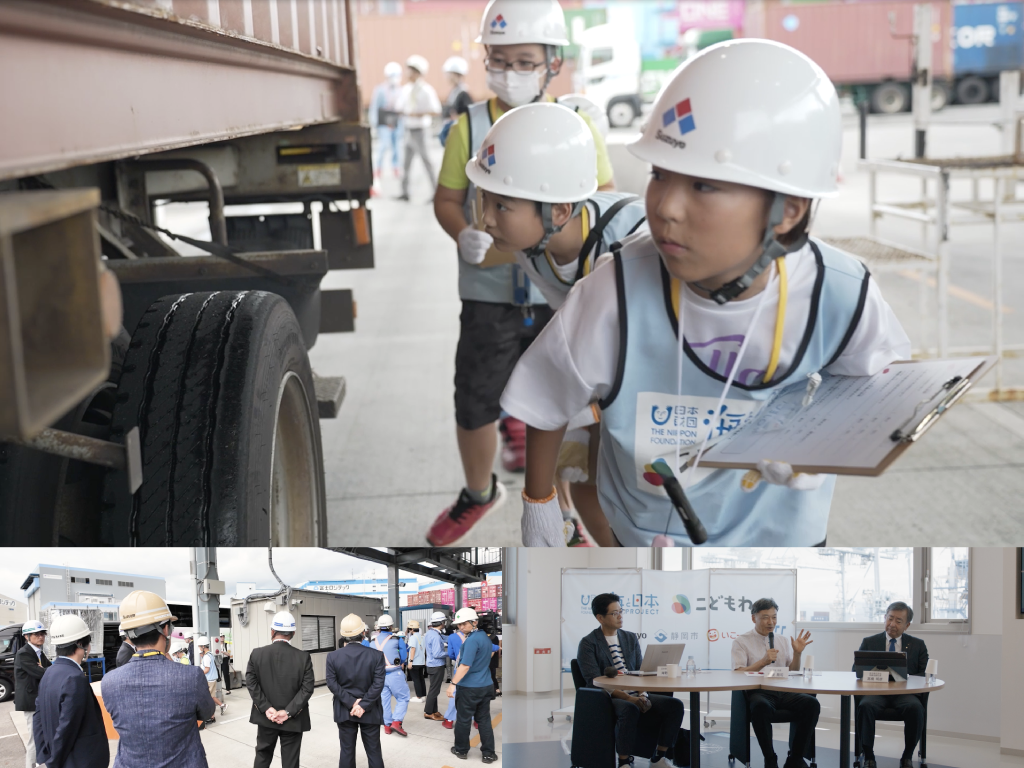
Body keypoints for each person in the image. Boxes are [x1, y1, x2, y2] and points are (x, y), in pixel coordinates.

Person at [502, 38, 911, 546]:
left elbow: (877, 391)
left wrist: (817, 439)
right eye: (659, 175)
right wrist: (539, 502)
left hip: (783, 541)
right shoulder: (616, 290)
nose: (666, 207)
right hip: (648, 534)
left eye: (703, 185)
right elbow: (545, 399)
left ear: (788, 209)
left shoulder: (841, 293)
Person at [427, 0, 616, 546]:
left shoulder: (577, 125)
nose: (511, 71)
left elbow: (602, 199)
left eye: (525, 60)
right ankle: (479, 492)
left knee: (564, 403)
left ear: (552, 63)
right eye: (500, 59)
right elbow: (447, 199)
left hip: (560, 296)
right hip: (489, 291)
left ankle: (560, 510)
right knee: (475, 398)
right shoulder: (470, 125)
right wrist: (461, 232)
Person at [466, 102, 648, 546]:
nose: (486, 218)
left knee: (628, 491)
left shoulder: (630, 245)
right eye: (484, 199)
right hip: (605, 370)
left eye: (502, 204)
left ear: (559, 212)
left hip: (648, 384)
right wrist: (543, 503)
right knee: (587, 484)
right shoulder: (533, 248)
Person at [102, 591, 215, 768]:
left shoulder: (109, 681)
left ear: (130, 634)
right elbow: (207, 713)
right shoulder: (191, 676)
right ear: (165, 629)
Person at [577, 594, 683, 767]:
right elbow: (593, 681)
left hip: (636, 692)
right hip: (610, 698)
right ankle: (624, 762)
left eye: (621, 611)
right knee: (630, 708)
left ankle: (659, 757)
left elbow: (640, 672)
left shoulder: (630, 638)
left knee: (675, 706)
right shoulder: (589, 644)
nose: (620, 616)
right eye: (614, 613)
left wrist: (643, 694)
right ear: (600, 618)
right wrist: (629, 698)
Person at [731, 598, 818, 768]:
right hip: (758, 691)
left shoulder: (783, 640)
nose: (771, 622)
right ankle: (770, 757)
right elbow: (738, 673)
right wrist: (762, 662)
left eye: (774, 617)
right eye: (765, 617)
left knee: (812, 704)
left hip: (784, 690)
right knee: (760, 707)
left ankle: (796, 757)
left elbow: (792, 670)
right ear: (753, 618)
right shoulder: (741, 641)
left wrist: (797, 653)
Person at [855, 601, 929, 768]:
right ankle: (868, 756)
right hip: (876, 693)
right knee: (865, 706)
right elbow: (856, 671)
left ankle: (907, 756)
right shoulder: (869, 642)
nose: (892, 624)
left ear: (907, 625)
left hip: (905, 694)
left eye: (898, 621)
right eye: (890, 618)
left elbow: (924, 673)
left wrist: (905, 678)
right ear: (884, 618)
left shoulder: (918, 645)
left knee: (916, 709)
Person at [32, 615, 109, 768]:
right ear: (80, 644)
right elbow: (67, 727)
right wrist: (53, 762)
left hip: (57, 757)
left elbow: (38, 718)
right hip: (77, 760)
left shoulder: (49, 672)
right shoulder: (75, 677)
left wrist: (44, 757)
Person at [245, 612, 315, 768]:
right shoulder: (303, 657)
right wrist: (288, 712)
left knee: (262, 756)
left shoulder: (257, 654)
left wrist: (266, 708)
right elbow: (307, 688)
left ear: (272, 631)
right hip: (293, 719)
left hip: (266, 718)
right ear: (293, 633)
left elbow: (251, 682)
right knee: (290, 761)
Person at [326, 613, 387, 768]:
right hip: (370, 709)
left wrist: (352, 703)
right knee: (374, 751)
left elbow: (332, 684)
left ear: (343, 635)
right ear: (364, 633)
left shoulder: (333, 656)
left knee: (346, 751)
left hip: (344, 710)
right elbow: (378, 684)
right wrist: (363, 704)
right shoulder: (377, 655)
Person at [446, 608, 498, 763]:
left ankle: (461, 750)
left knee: (463, 720)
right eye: (459, 625)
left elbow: (465, 666)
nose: (461, 627)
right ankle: (488, 753)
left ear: (474, 622)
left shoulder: (471, 640)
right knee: (484, 720)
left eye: (464, 623)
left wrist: (452, 684)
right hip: (485, 685)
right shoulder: (484, 638)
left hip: (469, 688)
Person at [398, 54, 441, 202]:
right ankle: (404, 192)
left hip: (421, 131)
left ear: (417, 72)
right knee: (406, 164)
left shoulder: (426, 90)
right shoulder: (406, 89)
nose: (406, 73)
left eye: (409, 70)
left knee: (427, 162)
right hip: (408, 129)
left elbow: (436, 110)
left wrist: (418, 114)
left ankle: (437, 193)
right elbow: (401, 107)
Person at [14, 619, 50, 768]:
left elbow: (49, 669)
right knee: (34, 739)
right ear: (27, 637)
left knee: (43, 735)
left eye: (42, 634)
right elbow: (42, 672)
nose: (40, 637)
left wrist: (46, 669)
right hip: (30, 701)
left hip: (39, 699)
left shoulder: (40, 653)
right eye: (36, 634)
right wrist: (45, 669)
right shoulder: (24, 654)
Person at [369, 614, 410, 737]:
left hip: (379, 676)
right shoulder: (397, 639)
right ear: (391, 626)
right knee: (403, 697)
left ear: (379, 627)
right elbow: (403, 658)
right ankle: (396, 721)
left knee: (384, 701)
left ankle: (387, 726)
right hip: (395, 673)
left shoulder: (372, 642)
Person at [369, 62, 404, 182]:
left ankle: (396, 168)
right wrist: (374, 122)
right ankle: (378, 169)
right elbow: (374, 106)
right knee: (384, 145)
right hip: (383, 122)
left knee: (396, 146)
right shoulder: (380, 90)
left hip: (396, 121)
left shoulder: (401, 90)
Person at [441, 618, 468, 729]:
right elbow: (492, 647)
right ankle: (476, 720)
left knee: (455, 694)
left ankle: (449, 720)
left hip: (460, 668)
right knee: (474, 695)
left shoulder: (453, 637)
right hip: (476, 670)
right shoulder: (479, 636)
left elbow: (451, 654)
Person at [423, 611, 448, 721]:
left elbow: (445, 638)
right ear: (442, 622)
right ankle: (428, 712)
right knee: (434, 690)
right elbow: (438, 654)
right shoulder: (436, 636)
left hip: (431, 665)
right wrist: (450, 653)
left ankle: (434, 710)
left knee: (434, 689)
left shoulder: (430, 633)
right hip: (437, 665)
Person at [198, 637, 224, 721]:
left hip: (209, 680)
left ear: (203, 646)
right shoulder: (210, 654)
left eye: (199, 646)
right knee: (210, 698)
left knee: (209, 698)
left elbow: (207, 669)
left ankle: (212, 716)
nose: (199, 648)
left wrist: (199, 673)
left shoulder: (206, 657)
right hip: (211, 679)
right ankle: (213, 714)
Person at [407, 620, 427, 701]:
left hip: (414, 662)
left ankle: (418, 696)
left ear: (412, 629)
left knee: (416, 680)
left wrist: (410, 661)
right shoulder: (422, 637)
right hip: (421, 661)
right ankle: (423, 695)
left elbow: (413, 649)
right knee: (421, 678)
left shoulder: (412, 637)